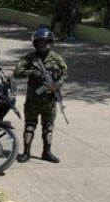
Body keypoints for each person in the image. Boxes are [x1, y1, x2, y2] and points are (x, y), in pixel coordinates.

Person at [13, 26, 68, 163]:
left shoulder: (57, 59)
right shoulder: (30, 58)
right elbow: (17, 72)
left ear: (50, 42)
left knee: (48, 128)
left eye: (45, 42)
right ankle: (26, 152)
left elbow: (64, 74)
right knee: (30, 127)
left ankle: (47, 152)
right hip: (33, 99)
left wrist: (57, 85)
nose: (42, 44)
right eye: (40, 42)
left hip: (49, 100)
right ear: (35, 43)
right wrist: (33, 73)